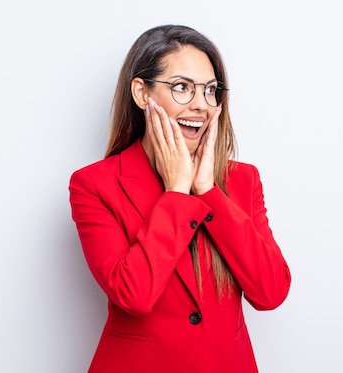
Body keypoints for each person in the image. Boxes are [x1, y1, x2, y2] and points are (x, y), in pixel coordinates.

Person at [69, 24, 291, 373]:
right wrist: (176, 192)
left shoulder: (243, 179)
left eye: (210, 91)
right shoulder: (94, 185)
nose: (201, 105)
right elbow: (134, 295)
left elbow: (271, 291)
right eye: (182, 88)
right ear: (142, 93)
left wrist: (209, 192)